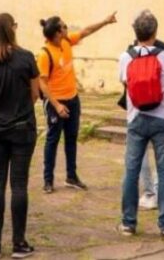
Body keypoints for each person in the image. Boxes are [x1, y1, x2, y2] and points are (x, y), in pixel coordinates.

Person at [0, 14, 39, 258]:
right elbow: (35, 94)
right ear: (12, 29)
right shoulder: (25, 58)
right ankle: (19, 242)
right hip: (22, 127)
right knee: (19, 184)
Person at [37, 11, 117, 192]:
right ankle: (48, 180)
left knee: (71, 139)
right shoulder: (45, 54)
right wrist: (57, 105)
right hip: (55, 103)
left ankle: (71, 176)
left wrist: (105, 21)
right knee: (52, 140)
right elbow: (42, 83)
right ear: (57, 32)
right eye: (64, 26)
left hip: (73, 99)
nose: (67, 28)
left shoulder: (66, 42)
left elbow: (86, 31)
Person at [116, 10, 164, 238]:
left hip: (135, 118)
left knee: (131, 170)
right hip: (162, 118)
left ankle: (128, 223)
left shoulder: (126, 57)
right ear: (155, 32)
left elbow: (124, 81)